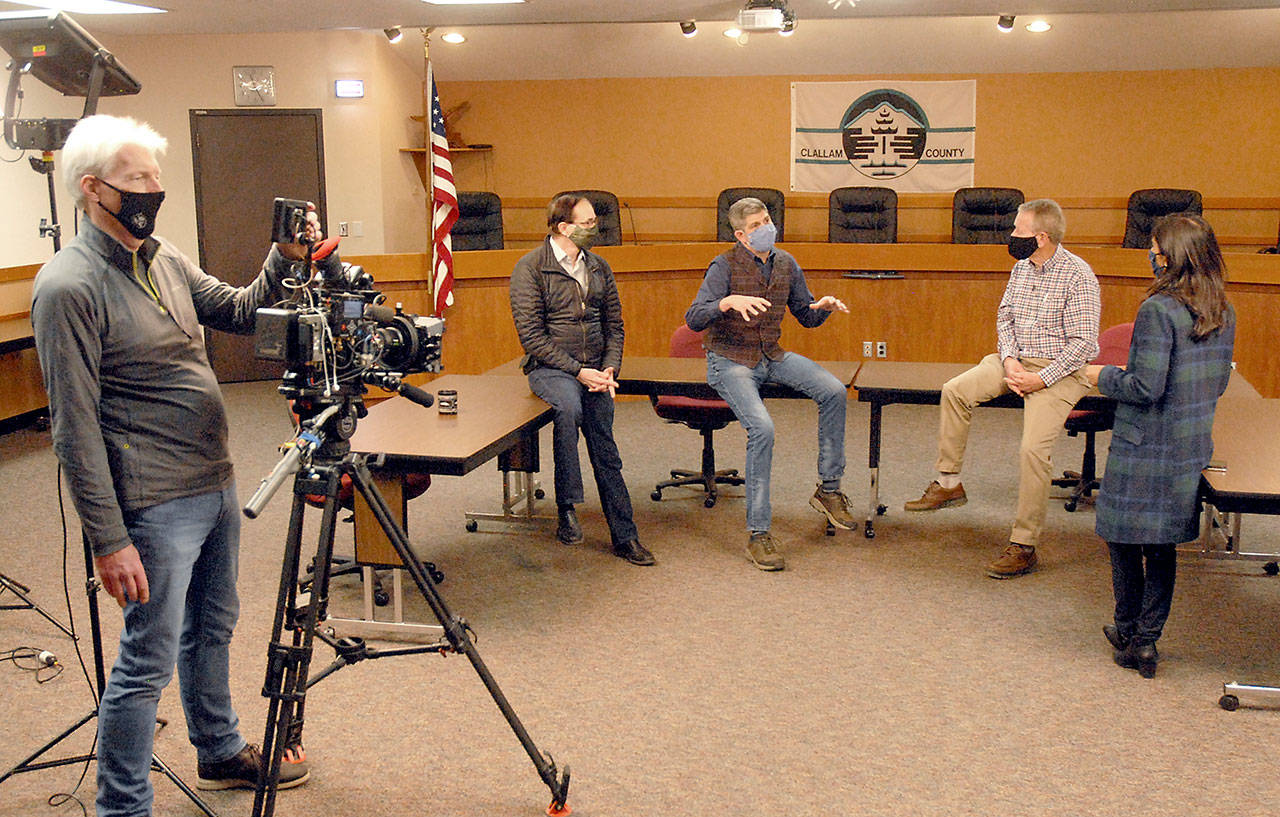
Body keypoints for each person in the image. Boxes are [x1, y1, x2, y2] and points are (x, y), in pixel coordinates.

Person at [30, 115, 325, 816]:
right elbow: (73, 430)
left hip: (213, 479)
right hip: (153, 502)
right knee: (146, 661)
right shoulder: (68, 286)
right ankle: (123, 804)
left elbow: (240, 310)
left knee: (213, 625)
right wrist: (109, 538)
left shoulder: (161, 257)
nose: (153, 189)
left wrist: (283, 256)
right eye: (138, 178)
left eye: (157, 177)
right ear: (92, 188)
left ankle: (218, 748)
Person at [905, 198, 1101, 579]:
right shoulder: (1021, 269)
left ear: (1041, 237)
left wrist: (1040, 379)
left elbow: (1084, 345)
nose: (1012, 237)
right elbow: (1005, 317)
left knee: (1032, 450)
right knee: (955, 390)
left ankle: (1024, 545)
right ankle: (948, 482)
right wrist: (1010, 361)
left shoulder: (1079, 275)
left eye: (1019, 231)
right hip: (1014, 361)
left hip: (1058, 371)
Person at [1085, 215, 1235, 679]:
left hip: (1144, 446)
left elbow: (1145, 387)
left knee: (1123, 539)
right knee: (1162, 545)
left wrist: (1100, 376)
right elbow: (1219, 382)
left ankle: (1132, 631)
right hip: (1187, 447)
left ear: (1170, 255)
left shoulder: (1158, 310)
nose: (1151, 254)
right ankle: (1146, 639)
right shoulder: (1223, 309)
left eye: (1154, 247)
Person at [685, 196, 856, 571]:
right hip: (730, 361)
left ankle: (829, 489)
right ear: (741, 234)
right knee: (762, 427)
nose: (768, 228)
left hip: (771, 355)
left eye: (768, 220)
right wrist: (726, 302)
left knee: (833, 390)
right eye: (758, 225)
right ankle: (758, 534)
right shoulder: (723, 265)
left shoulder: (786, 263)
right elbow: (695, 317)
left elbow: (804, 316)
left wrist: (821, 308)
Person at [508, 194, 654, 566]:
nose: (595, 228)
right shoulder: (531, 268)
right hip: (552, 368)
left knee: (605, 446)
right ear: (563, 227)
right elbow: (532, 337)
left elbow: (615, 325)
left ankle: (625, 535)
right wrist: (577, 371)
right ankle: (567, 506)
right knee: (568, 410)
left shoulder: (599, 267)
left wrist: (609, 369)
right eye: (588, 223)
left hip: (596, 371)